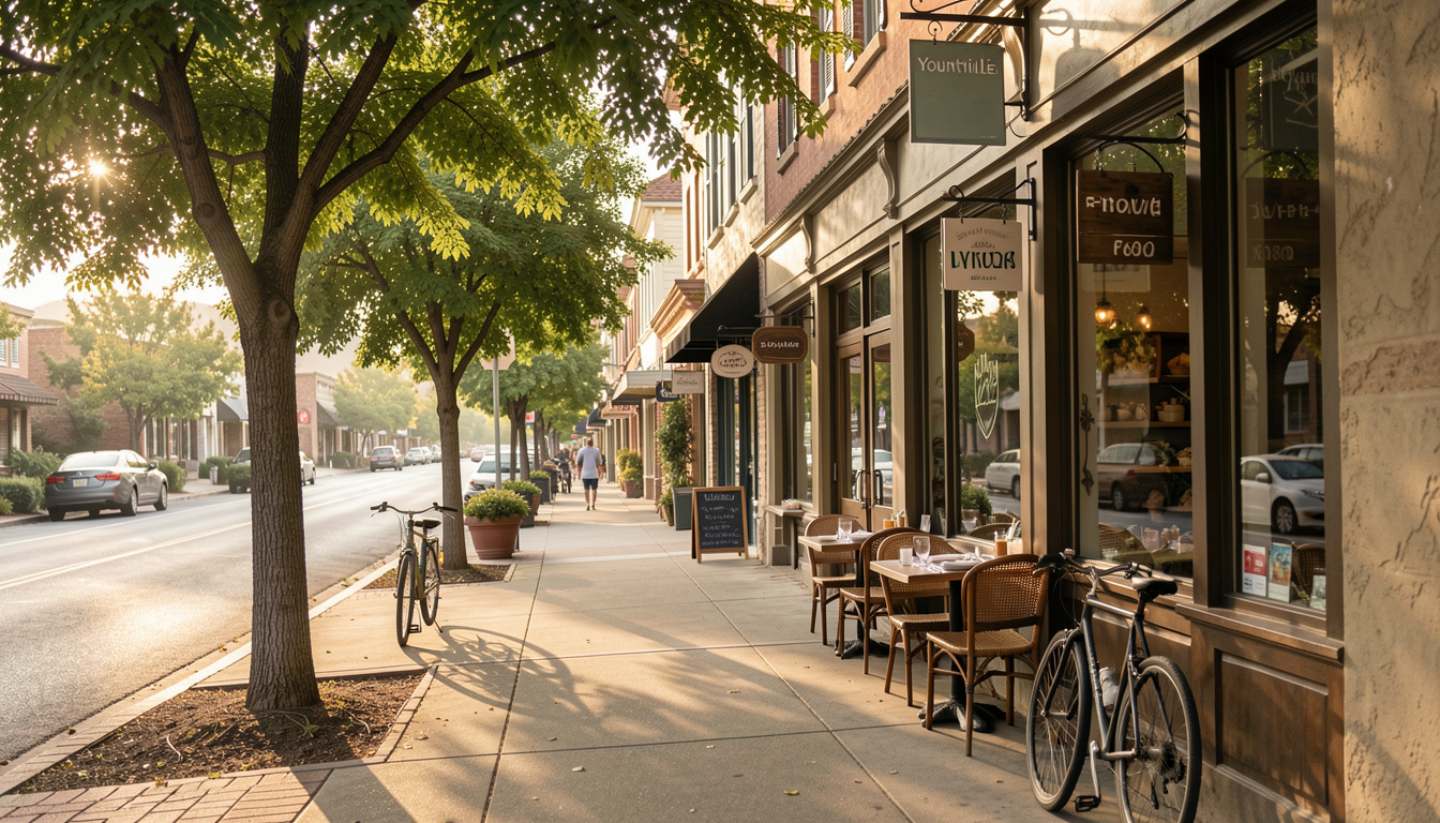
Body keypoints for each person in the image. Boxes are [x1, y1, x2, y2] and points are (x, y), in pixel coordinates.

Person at [575, 438, 604, 511]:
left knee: (586, 490)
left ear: (586, 443)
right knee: (594, 490)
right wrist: (601, 473)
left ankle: (588, 504)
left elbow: (578, 463)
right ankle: (593, 504)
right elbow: (599, 463)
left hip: (585, 474)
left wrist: (578, 473)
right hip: (594, 474)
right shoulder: (596, 451)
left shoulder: (581, 451)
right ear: (592, 443)